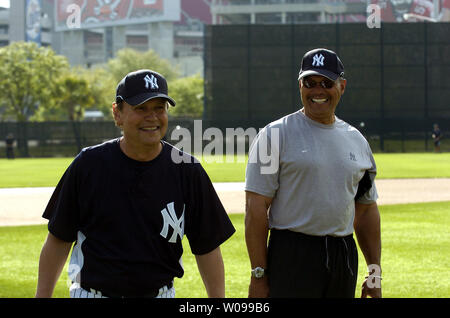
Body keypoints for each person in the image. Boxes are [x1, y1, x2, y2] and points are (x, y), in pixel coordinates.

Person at [35, 69, 235, 298]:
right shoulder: (89, 165)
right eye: (141, 108)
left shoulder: (187, 170)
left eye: (159, 108)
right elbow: (59, 238)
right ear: (117, 113)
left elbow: (207, 247)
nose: (152, 117)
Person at [245, 48, 382, 298]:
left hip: (343, 253)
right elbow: (255, 208)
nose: (318, 90)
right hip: (292, 253)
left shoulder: (357, 141)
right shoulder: (273, 135)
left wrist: (375, 271)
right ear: (300, 85)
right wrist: (258, 275)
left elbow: (367, 209)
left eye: (326, 83)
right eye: (310, 82)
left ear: (342, 86)